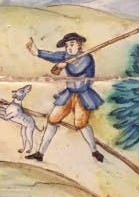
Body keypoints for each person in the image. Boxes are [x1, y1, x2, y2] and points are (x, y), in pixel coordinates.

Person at [25, 32, 104, 162]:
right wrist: (37, 52)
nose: (69, 48)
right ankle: (40, 153)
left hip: (83, 94)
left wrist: (65, 65)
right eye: (67, 46)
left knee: (81, 124)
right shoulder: (65, 56)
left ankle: (94, 151)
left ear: (79, 45)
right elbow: (52, 55)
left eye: (72, 44)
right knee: (52, 120)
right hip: (69, 93)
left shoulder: (87, 58)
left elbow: (77, 70)